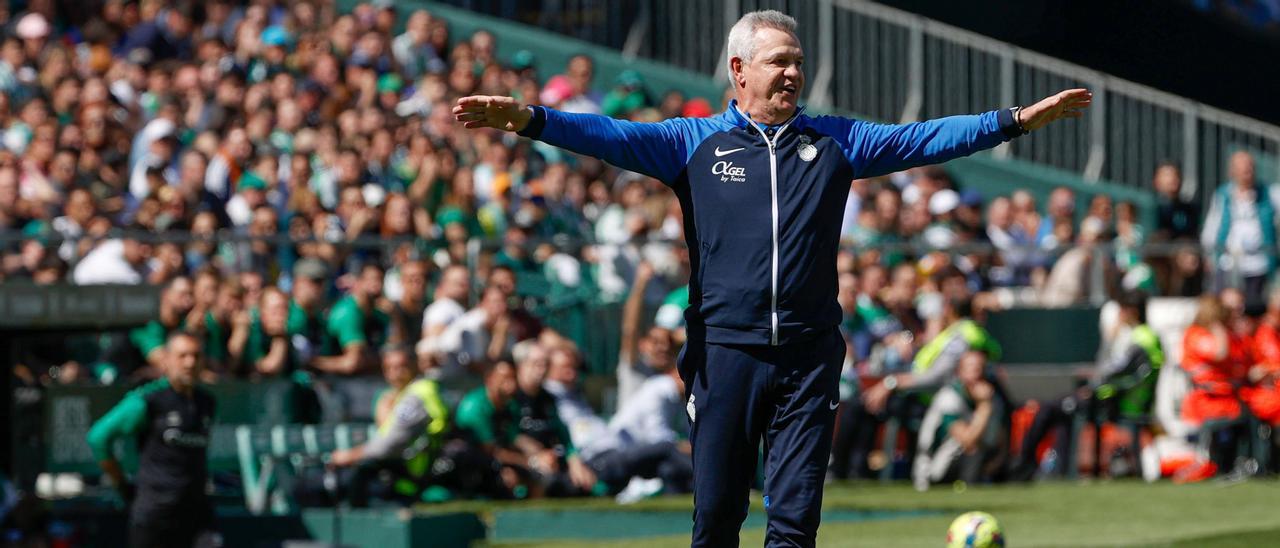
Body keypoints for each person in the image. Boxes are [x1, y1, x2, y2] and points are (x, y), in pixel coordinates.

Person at [454, 9, 1088, 544]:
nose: (792, 73)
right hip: (725, 352)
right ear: (740, 71)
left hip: (810, 358)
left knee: (793, 524)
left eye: (797, 61)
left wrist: (1013, 121)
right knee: (718, 519)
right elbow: (607, 135)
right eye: (778, 61)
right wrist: (529, 119)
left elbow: (924, 138)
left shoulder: (837, 141)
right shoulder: (693, 142)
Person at [1010, 291, 1164, 480]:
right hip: (1114, 397)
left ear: (1130, 311)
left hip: (1114, 400)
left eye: (1121, 310)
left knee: (1050, 409)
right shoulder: (1146, 336)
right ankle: (1058, 469)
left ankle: (1025, 463)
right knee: (1062, 411)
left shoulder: (1141, 338)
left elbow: (1120, 371)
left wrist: (1094, 384)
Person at [86, 332, 217, 548]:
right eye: (182, 356)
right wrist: (121, 484)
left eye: (196, 356)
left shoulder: (207, 402)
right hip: (156, 514)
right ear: (166, 360)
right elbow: (98, 438)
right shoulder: (148, 400)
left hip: (197, 512)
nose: (190, 363)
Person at [324, 347, 449, 506]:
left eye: (401, 366)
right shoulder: (402, 395)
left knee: (363, 472)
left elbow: (388, 445)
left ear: (415, 365)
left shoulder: (417, 395)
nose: (395, 373)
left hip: (414, 476)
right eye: (389, 368)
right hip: (412, 471)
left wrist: (349, 456)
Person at [911, 351, 1005, 491]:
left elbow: (999, 437)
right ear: (959, 371)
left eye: (980, 367)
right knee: (973, 450)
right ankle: (968, 487)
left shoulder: (992, 397)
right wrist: (984, 406)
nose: (976, 371)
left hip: (980, 458)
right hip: (937, 467)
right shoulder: (949, 398)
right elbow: (968, 441)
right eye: (971, 367)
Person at [1200, 151, 1280, 309]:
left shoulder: (1270, 193)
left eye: (1250, 167)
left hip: (1259, 263)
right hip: (1228, 262)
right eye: (1242, 168)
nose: (1247, 172)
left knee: (1255, 308)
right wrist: (1209, 254)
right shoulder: (1222, 195)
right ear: (1232, 171)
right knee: (1227, 307)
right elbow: (1212, 225)